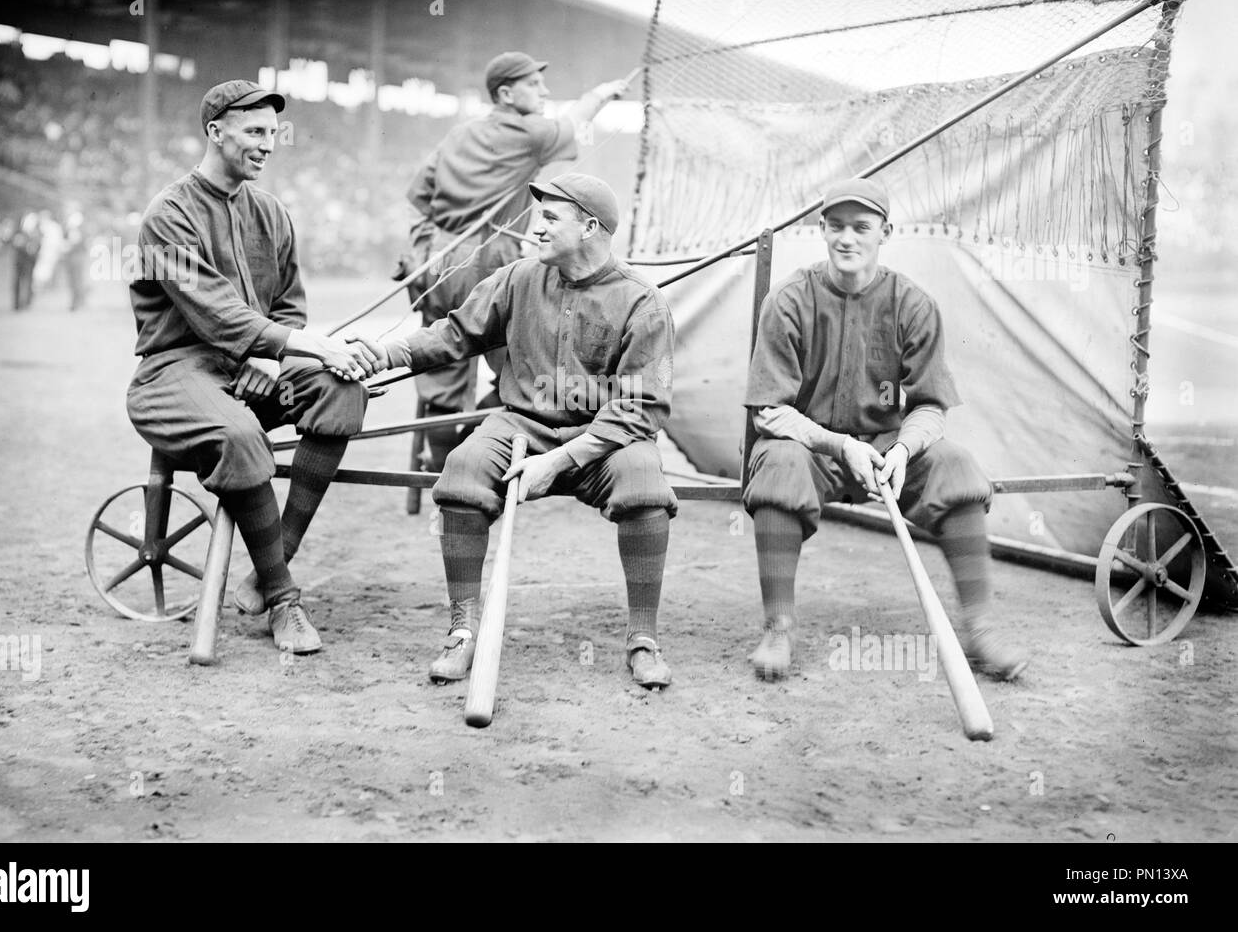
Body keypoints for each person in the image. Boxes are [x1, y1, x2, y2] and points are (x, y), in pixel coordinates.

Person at [369, 173, 678, 689]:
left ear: (590, 228)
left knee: (646, 485)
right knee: (462, 470)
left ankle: (643, 640)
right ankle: (462, 632)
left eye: (551, 217)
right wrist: (384, 354)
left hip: (604, 439)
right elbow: (454, 334)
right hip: (521, 426)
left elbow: (641, 408)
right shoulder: (517, 277)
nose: (537, 228)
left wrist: (559, 461)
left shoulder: (643, 301)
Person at [741, 177, 1029, 682]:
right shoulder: (789, 299)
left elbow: (931, 408)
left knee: (956, 466)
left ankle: (982, 630)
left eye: (860, 227)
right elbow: (768, 411)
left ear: (885, 232)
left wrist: (901, 449)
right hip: (812, 447)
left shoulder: (912, 304)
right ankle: (779, 626)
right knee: (778, 464)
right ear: (823, 231)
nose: (846, 239)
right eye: (835, 227)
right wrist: (837, 444)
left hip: (886, 455)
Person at [126, 79, 378, 656]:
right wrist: (266, 351)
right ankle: (284, 598)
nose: (269, 144)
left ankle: (270, 563)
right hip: (174, 371)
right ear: (216, 132)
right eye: (256, 132)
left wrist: (271, 355)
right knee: (240, 434)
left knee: (340, 389)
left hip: (250, 366)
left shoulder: (271, 211)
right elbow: (213, 313)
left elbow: (289, 304)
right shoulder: (168, 214)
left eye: (274, 134)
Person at [399, 51, 634, 472]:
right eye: (534, 84)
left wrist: (422, 246)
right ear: (506, 94)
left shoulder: (458, 134)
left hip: (436, 260)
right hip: (487, 260)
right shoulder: (528, 132)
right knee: (526, 371)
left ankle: (442, 466)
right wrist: (601, 93)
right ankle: (467, 454)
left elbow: (418, 196)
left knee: (442, 374)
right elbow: (570, 123)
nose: (544, 91)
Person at [10, 211, 40, 310]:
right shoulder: (20, 232)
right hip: (20, 260)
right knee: (18, 282)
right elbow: (16, 244)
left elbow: (36, 247)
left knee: (29, 282)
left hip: (30, 261)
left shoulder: (35, 233)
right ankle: (17, 304)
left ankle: (27, 302)